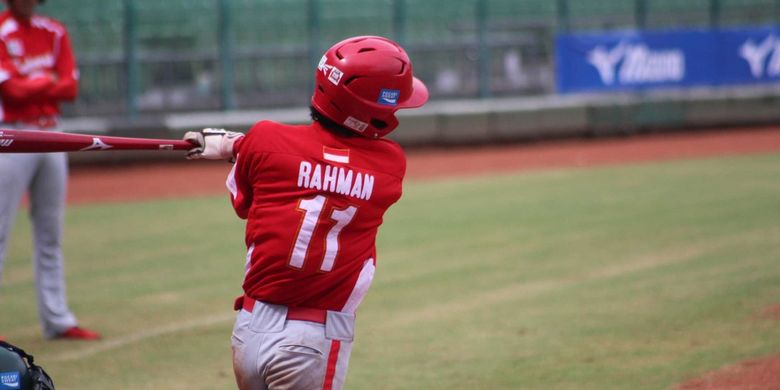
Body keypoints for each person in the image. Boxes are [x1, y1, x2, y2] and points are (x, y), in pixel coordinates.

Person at [184, 35, 428, 390]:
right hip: (311, 340)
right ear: (368, 113)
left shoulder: (265, 139)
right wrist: (241, 145)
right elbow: (333, 161)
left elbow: (248, 203)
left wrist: (238, 144)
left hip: (249, 330)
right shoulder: (390, 165)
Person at [0, 0, 100, 341]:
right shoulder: (1, 31)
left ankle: (57, 320)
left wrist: (32, 82)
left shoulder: (54, 31)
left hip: (52, 133)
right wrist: (47, 81)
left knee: (50, 233)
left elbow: (70, 88)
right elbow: (10, 92)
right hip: (10, 135)